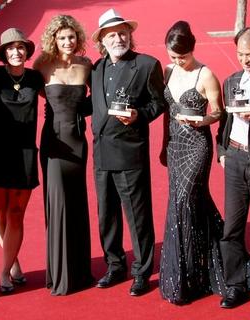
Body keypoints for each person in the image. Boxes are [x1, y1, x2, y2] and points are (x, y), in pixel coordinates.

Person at [90, 8, 167, 296]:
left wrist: (139, 115)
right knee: (106, 215)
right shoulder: (95, 69)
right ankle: (114, 265)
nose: (118, 38)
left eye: (123, 33)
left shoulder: (147, 65)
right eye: (112, 35)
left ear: (130, 35)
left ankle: (142, 271)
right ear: (103, 41)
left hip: (130, 153)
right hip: (101, 155)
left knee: (137, 216)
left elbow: (159, 103)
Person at [158, 20, 226, 305]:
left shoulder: (206, 74)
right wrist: (163, 144)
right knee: (182, 203)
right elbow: (166, 112)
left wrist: (201, 120)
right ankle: (188, 272)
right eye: (172, 56)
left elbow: (219, 112)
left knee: (186, 200)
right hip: (175, 144)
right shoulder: (168, 70)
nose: (176, 62)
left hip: (197, 145)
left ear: (192, 50)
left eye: (181, 57)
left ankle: (195, 276)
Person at [33, 15, 93, 295]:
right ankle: (60, 275)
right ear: (53, 40)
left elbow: (98, 101)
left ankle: (80, 272)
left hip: (79, 142)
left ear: (77, 38)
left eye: (71, 37)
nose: (67, 42)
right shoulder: (43, 65)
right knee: (58, 206)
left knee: (77, 203)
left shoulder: (86, 65)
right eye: (62, 38)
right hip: (55, 145)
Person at [0, 28, 44, 294]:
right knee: (0, 213)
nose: (16, 52)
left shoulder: (35, 78)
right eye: (10, 48)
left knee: (16, 213)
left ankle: (5, 271)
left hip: (25, 153)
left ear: (27, 51)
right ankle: (14, 263)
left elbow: (59, 94)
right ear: (3, 53)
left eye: (20, 47)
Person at [217, 27, 250, 308]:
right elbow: (224, 122)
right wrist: (222, 152)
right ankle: (236, 284)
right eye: (241, 54)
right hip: (234, 158)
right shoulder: (231, 81)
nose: (244, 60)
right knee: (231, 228)